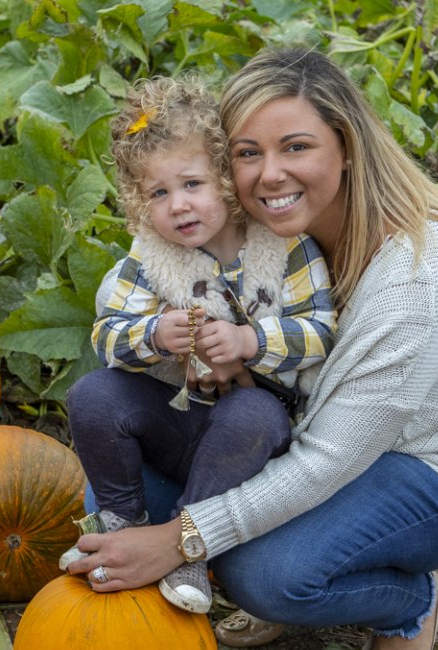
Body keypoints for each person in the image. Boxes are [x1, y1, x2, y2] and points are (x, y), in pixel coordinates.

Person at [65, 47, 438, 650]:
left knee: (263, 574)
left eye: (296, 147)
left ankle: (411, 602)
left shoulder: (422, 280)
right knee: (122, 495)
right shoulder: (274, 243)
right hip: (302, 436)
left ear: (348, 145)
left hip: (425, 469)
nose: (269, 175)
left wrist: (180, 539)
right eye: (249, 153)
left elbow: (330, 459)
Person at [63, 74, 336, 616]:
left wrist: (248, 340)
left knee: (253, 412)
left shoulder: (285, 246)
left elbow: (320, 330)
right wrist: (153, 335)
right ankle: (123, 521)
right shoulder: (150, 258)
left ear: (225, 178)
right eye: (158, 193)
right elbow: (106, 334)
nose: (178, 207)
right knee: (92, 395)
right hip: (179, 423)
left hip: (252, 437)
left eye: (192, 185)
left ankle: (189, 547)